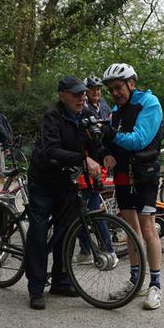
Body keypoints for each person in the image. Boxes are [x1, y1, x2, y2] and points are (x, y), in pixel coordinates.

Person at [25, 77, 108, 310]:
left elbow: (96, 145)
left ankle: (61, 280)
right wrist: (83, 159)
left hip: (65, 179)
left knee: (67, 229)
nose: (82, 97)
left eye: (83, 93)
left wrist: (105, 156)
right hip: (43, 179)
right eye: (76, 94)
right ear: (62, 95)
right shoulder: (52, 116)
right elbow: (51, 149)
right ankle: (36, 288)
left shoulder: (84, 116)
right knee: (39, 231)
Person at [100, 62, 164, 310]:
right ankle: (135, 280)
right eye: (111, 89)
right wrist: (106, 150)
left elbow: (139, 140)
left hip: (144, 175)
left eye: (118, 87)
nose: (115, 93)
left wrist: (110, 135)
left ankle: (156, 285)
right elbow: (111, 142)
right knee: (129, 230)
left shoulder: (149, 103)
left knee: (148, 230)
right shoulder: (115, 111)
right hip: (123, 176)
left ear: (131, 83)